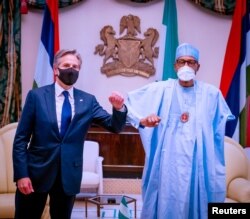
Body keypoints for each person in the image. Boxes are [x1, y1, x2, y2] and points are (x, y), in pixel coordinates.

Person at [12, 49, 127, 219]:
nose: (71, 69)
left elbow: (114, 126)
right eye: (66, 65)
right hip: (36, 174)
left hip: (68, 176)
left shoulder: (88, 101)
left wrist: (119, 109)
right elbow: (21, 140)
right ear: (56, 70)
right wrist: (21, 174)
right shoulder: (36, 96)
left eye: (75, 66)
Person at [125, 43, 234, 219]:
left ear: (198, 66)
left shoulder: (211, 94)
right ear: (175, 65)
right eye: (181, 61)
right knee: (167, 200)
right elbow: (128, 105)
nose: (186, 66)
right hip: (167, 162)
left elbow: (220, 126)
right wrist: (144, 120)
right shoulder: (160, 89)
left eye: (191, 62)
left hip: (198, 162)